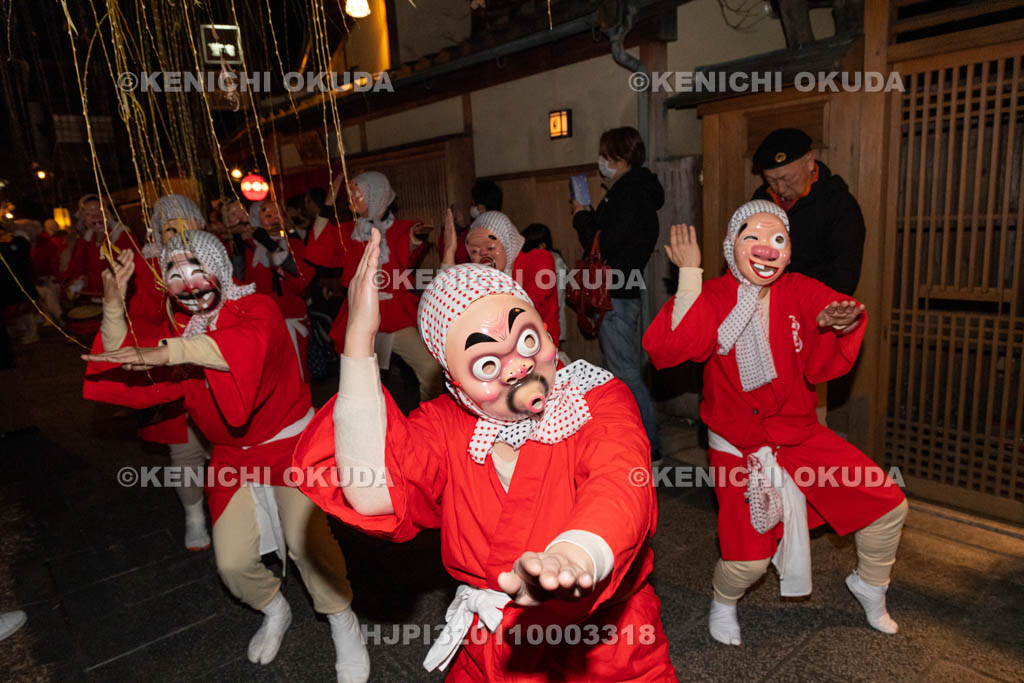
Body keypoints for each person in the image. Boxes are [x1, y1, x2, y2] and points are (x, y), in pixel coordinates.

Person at [294, 241, 675, 681]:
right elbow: (371, 490)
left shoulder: (596, 398)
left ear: (549, 334)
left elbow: (619, 478)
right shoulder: (445, 424)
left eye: (527, 339)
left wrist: (580, 552)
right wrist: (359, 346)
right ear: (455, 385)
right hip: (493, 645)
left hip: (601, 645)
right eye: (487, 363)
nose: (517, 367)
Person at [82, 231, 369, 681]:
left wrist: (165, 352)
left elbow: (242, 346)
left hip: (288, 446)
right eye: (174, 274)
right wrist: (115, 304)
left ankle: (341, 619)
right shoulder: (178, 327)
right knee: (231, 561)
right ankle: (274, 608)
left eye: (198, 269)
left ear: (219, 269)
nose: (189, 283)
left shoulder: (257, 307)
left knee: (308, 545)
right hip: (232, 459)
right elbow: (124, 359)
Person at [642, 200, 908, 646]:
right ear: (732, 247)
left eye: (778, 239)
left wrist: (833, 325)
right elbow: (670, 349)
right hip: (739, 444)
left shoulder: (801, 290)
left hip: (798, 434)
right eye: (754, 237)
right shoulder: (715, 297)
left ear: (788, 252)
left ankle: (870, 586)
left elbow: (826, 354)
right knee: (747, 561)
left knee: (888, 506)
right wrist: (690, 275)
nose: (767, 248)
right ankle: (723, 602)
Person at [90, 193, 212, 551]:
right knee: (184, 446)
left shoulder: (213, 257)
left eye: (186, 228)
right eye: (169, 229)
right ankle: (194, 515)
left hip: (214, 365)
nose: (177, 236)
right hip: (172, 368)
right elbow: (135, 323)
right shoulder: (147, 267)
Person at [308, 170, 442, 402]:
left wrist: (414, 239)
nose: (351, 199)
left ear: (376, 196)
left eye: (356, 194)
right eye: (349, 195)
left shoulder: (401, 229)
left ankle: (430, 419)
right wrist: (328, 204)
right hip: (359, 314)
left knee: (430, 368)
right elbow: (318, 250)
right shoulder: (349, 232)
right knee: (359, 380)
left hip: (395, 315)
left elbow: (408, 250)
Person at [572, 126, 664, 464]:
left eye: (607, 157)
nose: (602, 164)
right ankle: (633, 436)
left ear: (622, 159)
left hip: (617, 294)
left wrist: (582, 217)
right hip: (621, 290)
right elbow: (608, 234)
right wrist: (588, 213)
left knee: (624, 371)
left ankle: (650, 445)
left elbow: (604, 242)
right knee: (619, 368)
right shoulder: (630, 193)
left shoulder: (630, 195)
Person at [752, 128, 865, 295]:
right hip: (766, 302)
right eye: (771, 180)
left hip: (814, 305)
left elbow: (844, 275)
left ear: (809, 162)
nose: (780, 188)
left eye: (786, 178)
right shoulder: (762, 200)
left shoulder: (839, 204)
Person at [443, 210, 561, 345]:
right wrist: (448, 252)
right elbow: (446, 310)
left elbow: (517, 313)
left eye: (490, 247)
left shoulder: (539, 260)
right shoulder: (480, 277)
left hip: (541, 354)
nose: (483, 253)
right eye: (474, 251)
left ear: (507, 242)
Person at [245, 199, 314, 382]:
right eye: (268, 215)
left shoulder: (294, 244)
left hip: (292, 317)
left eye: (278, 213)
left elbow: (302, 281)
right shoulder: (247, 247)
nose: (275, 218)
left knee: (297, 374)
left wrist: (273, 247)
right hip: (262, 322)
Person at [61, 194, 134, 300]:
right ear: (83, 220)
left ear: (107, 214)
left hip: (122, 298)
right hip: (94, 299)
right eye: (88, 214)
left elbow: (132, 268)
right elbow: (77, 268)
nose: (96, 217)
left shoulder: (123, 236)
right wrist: (77, 282)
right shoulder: (84, 242)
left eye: (100, 212)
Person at [521, 222, 569, 350]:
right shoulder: (529, 260)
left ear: (543, 245)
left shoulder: (556, 262)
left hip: (550, 322)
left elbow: (557, 298)